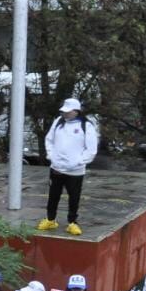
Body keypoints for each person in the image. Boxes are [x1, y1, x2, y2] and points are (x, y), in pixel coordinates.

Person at [38, 97, 98, 236]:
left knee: (74, 197)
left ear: (76, 111)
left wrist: (78, 162)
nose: (65, 114)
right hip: (57, 168)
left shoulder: (86, 125)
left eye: (68, 111)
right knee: (53, 195)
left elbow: (91, 149)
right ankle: (50, 219)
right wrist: (52, 156)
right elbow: (49, 140)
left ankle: (72, 222)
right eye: (63, 111)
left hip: (75, 171)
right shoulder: (58, 122)